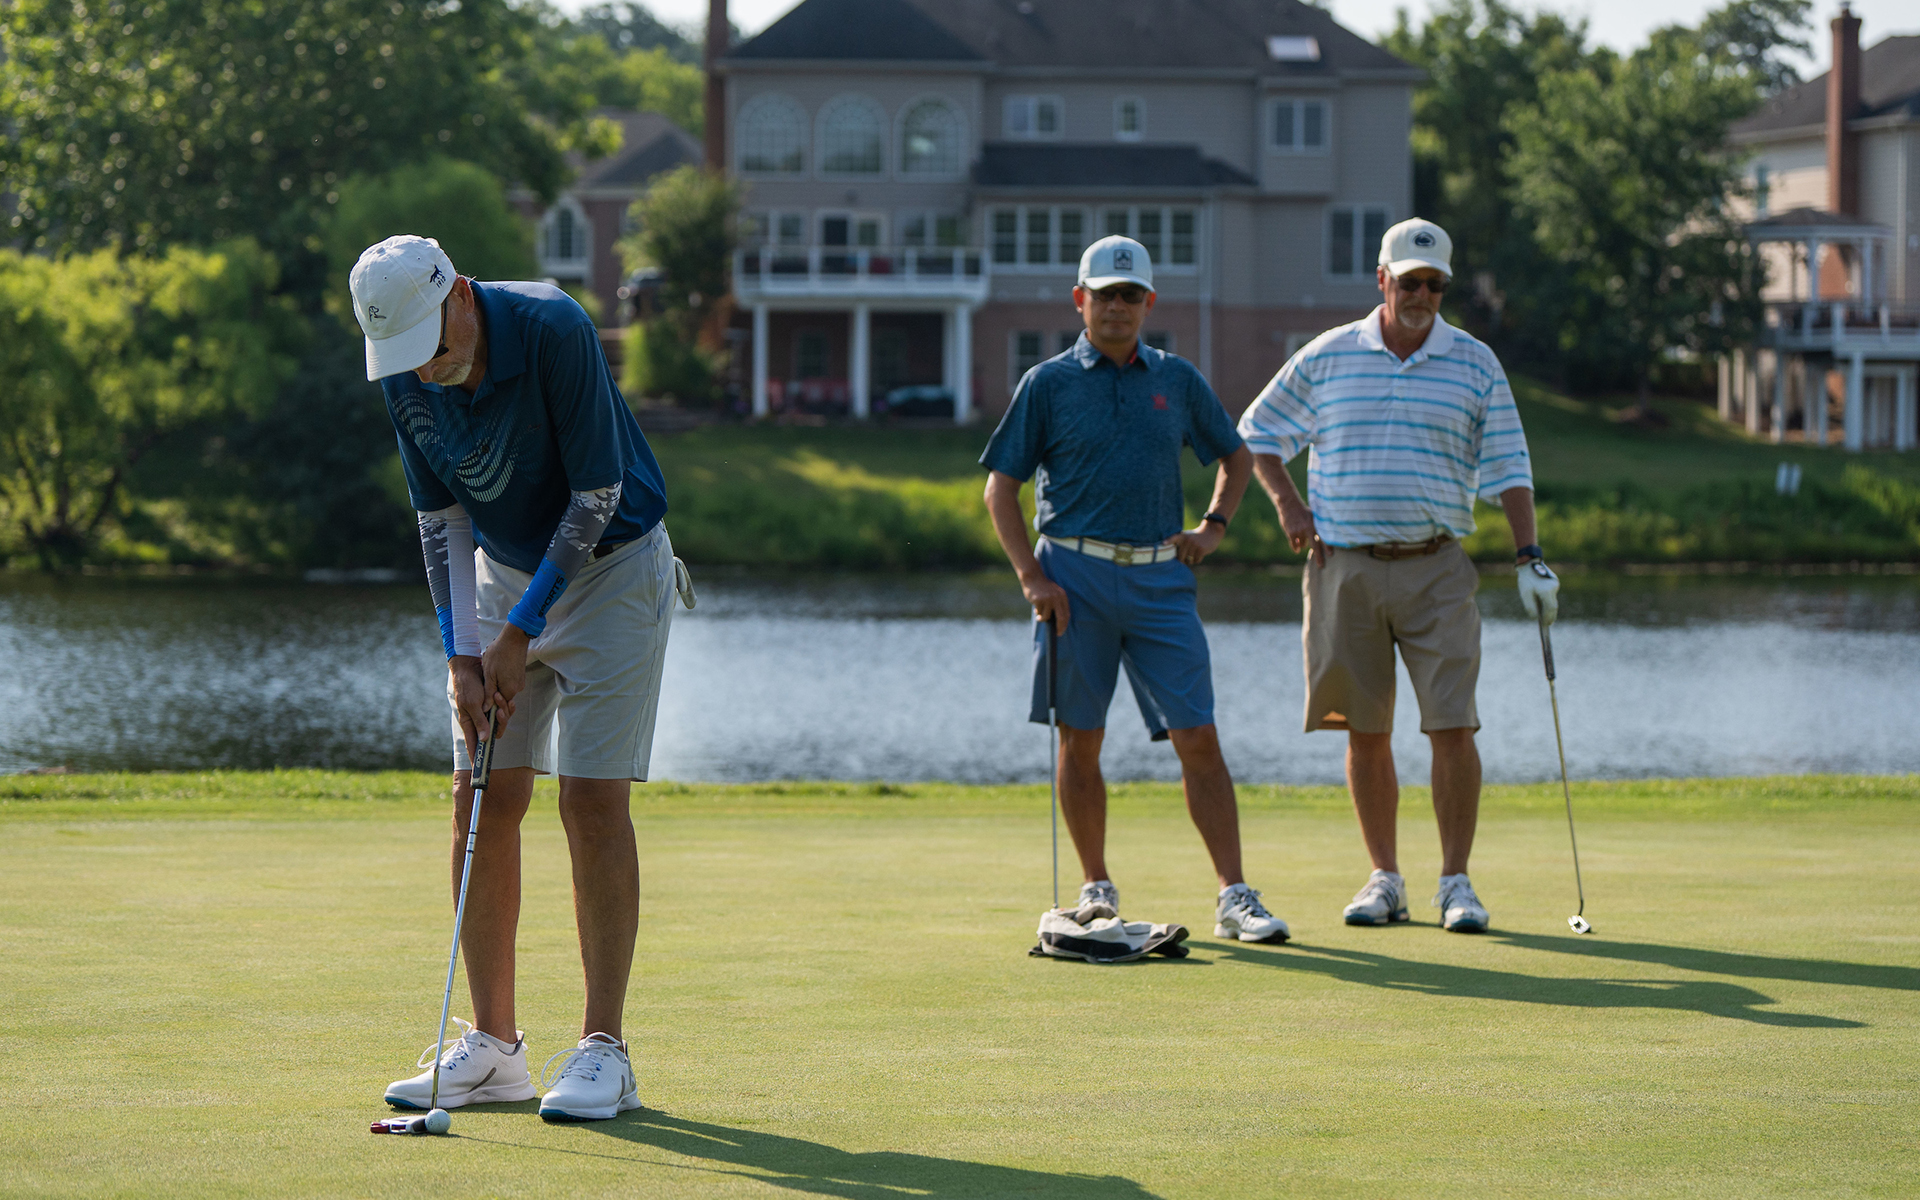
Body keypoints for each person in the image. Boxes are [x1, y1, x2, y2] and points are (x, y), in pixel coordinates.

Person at [349, 235, 685, 1121]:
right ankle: (495, 1050)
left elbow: (596, 496)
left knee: (590, 799)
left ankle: (605, 1051)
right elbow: (441, 520)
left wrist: (519, 633)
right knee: (479, 793)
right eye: (405, 359)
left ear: (460, 294)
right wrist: (462, 655)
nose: (426, 372)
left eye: (434, 347)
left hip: (612, 568)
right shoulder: (404, 371)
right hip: (500, 574)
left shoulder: (553, 327)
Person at [1236, 218, 1559, 933]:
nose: (1421, 295)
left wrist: (1528, 554)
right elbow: (1258, 434)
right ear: (1381, 280)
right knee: (1365, 729)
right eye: (1409, 282)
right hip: (1343, 567)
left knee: (1453, 724)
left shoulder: (1475, 363)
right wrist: (1289, 505)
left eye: (1434, 285)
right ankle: (1385, 879)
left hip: (1438, 566)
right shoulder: (1328, 355)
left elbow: (1510, 465)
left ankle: (1456, 883)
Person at [981, 235, 1290, 944]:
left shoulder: (1176, 379)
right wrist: (1031, 577)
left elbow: (1235, 457)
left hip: (1161, 576)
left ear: (1149, 302)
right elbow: (1001, 490)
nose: (1116, 306)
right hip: (1073, 578)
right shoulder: (1047, 384)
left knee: (1198, 734)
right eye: (1104, 294)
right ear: (1079, 300)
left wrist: (1213, 527)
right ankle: (1095, 889)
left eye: (1129, 295)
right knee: (1081, 737)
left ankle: (1234, 896)